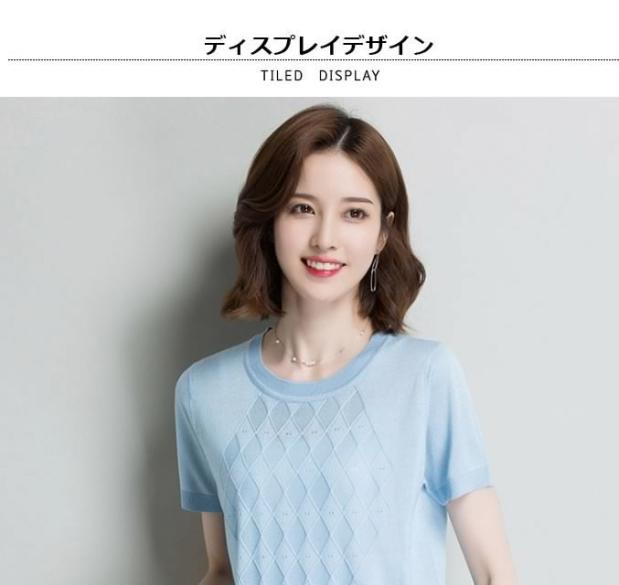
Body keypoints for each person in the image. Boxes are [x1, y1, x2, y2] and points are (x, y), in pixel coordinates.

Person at [174, 104, 518, 585]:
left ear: (382, 234)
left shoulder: (424, 377)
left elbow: (495, 574)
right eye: (302, 208)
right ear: (269, 220)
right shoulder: (204, 391)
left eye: (354, 213)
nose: (325, 238)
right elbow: (222, 571)